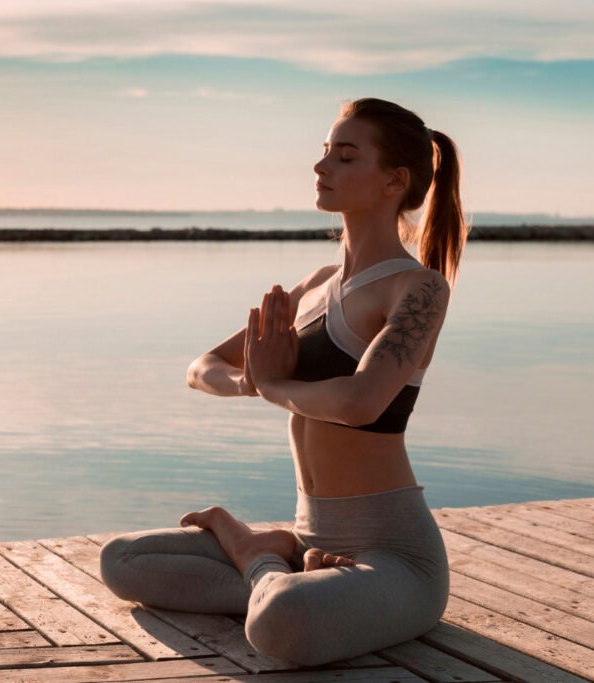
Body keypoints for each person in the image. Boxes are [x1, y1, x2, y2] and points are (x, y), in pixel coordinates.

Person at [99, 97, 467, 667]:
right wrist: (251, 381)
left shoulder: (417, 290)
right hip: (311, 533)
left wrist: (272, 387)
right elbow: (201, 368)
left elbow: (362, 401)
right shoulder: (314, 287)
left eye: (345, 157)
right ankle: (285, 560)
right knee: (122, 561)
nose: (322, 167)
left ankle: (254, 555)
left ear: (395, 180)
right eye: (324, 153)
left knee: (280, 624)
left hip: (394, 556)